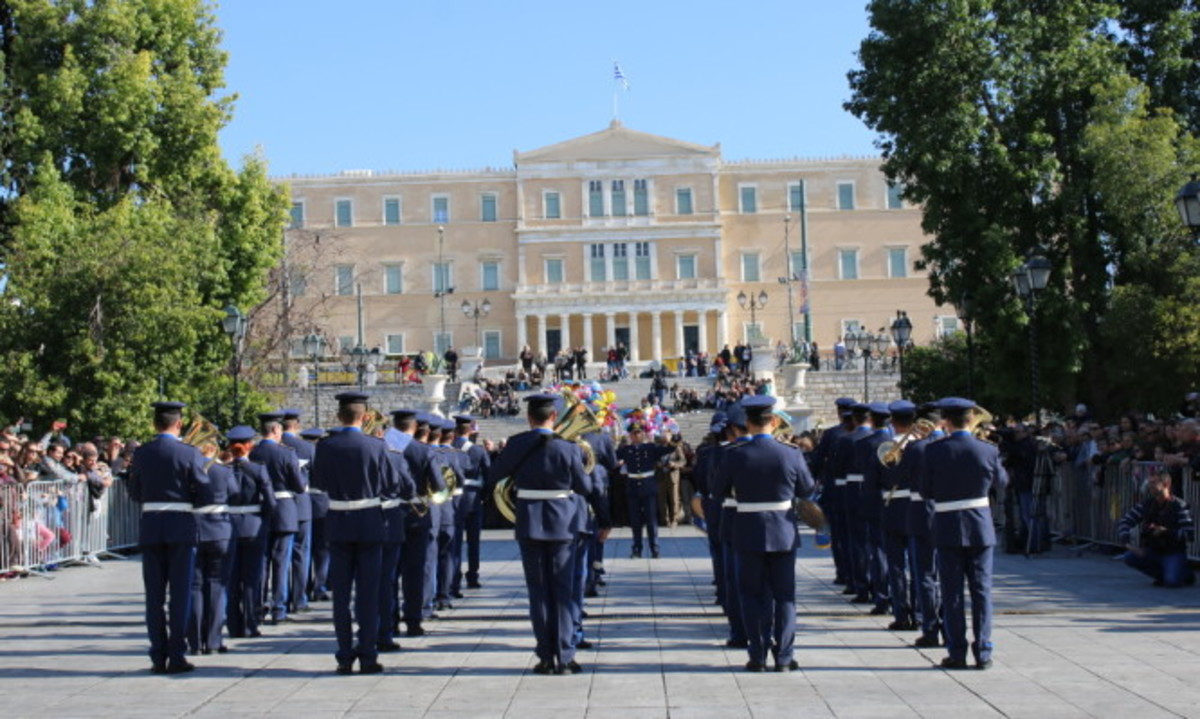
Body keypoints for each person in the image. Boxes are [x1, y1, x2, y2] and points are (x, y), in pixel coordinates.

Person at [488, 393, 602, 675]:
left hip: (528, 521)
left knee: (538, 592)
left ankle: (545, 656)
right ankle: (565, 654)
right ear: (554, 417)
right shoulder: (570, 448)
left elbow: (497, 475)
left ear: (529, 418)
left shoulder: (516, 444)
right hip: (563, 523)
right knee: (563, 591)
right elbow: (585, 488)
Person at [712, 396, 815, 672]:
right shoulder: (791, 453)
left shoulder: (734, 454)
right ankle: (783, 656)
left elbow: (718, 490)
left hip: (748, 529)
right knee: (785, 596)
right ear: (774, 421)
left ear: (747, 423)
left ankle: (757, 655)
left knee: (751, 594)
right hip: (782, 529)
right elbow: (807, 490)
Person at [310, 391, 396, 675]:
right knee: (368, 594)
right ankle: (368, 655)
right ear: (366, 416)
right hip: (370, 522)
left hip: (338, 522)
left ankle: (345, 655)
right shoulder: (377, 445)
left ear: (339, 416)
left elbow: (318, 482)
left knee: (341, 596)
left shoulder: (326, 446)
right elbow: (390, 484)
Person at [919, 397, 1008, 671]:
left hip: (947, 524)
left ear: (945, 421)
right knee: (982, 590)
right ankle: (983, 651)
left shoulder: (934, 451)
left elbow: (925, 491)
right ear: (971, 419)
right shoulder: (987, 450)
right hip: (979, 525)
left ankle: (956, 651)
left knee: (952, 592)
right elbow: (1002, 483)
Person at [127, 400, 209, 675]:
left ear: (154, 424)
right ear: (179, 423)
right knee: (180, 594)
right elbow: (204, 491)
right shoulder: (189, 453)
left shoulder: (142, 453)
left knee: (154, 596)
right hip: (181, 526)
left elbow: (135, 491)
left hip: (151, 526)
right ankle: (177, 653)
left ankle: (157, 655)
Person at [249, 411, 305, 625]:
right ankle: (279, 608)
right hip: (284, 509)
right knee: (281, 563)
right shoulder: (286, 454)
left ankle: (258, 604)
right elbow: (299, 486)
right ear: (274, 430)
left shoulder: (253, 453)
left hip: (260, 510)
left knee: (261, 562)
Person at [224, 426, 275, 642]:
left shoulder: (223, 470)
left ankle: (234, 623)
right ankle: (251, 624)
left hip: (229, 525)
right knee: (253, 577)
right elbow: (271, 502)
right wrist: (264, 518)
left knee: (232, 578)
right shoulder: (258, 470)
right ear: (249, 446)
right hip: (254, 525)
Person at [1117, 472, 1196, 587]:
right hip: (1153, 550)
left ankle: (1185, 573)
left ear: (1166, 484)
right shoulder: (1146, 504)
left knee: (1172, 582)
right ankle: (1165, 574)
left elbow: (1189, 535)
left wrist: (1166, 532)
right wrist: (1127, 543)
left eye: (1154, 483)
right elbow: (1125, 521)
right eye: (1149, 483)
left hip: (1173, 552)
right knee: (1129, 557)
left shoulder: (1179, 506)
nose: (1150, 486)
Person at [616, 424, 676, 558]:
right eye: (634, 433)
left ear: (643, 434)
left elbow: (670, 448)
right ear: (630, 435)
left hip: (648, 485)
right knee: (635, 521)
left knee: (651, 520)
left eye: (639, 433)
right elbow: (612, 456)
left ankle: (655, 548)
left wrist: (669, 439)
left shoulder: (651, 447)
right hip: (632, 486)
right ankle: (637, 549)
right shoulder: (626, 449)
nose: (637, 436)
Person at [279, 410, 314, 615]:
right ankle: (299, 598)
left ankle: (278, 599)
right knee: (301, 554)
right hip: (301, 504)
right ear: (296, 425)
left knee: (279, 559)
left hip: (277, 508)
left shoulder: (263, 449)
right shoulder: (306, 448)